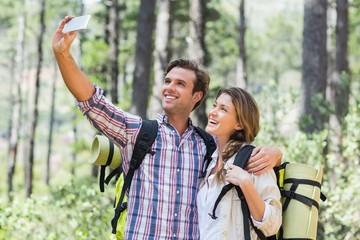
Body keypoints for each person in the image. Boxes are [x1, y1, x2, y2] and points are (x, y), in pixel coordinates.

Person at [52, 16, 282, 239]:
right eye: (167, 81)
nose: (169, 88)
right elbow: (93, 102)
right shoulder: (137, 133)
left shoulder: (207, 146)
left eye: (180, 84)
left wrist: (276, 155)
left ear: (196, 96)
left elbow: (238, 150)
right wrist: (62, 54)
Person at [197, 87, 282, 239]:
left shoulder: (254, 160)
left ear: (240, 124)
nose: (213, 112)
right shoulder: (209, 161)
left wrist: (246, 183)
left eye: (223, 109)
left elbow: (273, 224)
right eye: (214, 105)